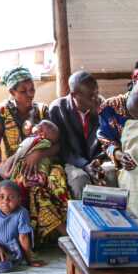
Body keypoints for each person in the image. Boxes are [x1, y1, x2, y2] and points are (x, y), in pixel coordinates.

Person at [0, 67, 68, 243]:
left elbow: (57, 144)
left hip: (45, 160)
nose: (30, 94)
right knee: (29, 183)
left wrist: (38, 153)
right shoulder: (1, 112)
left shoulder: (42, 110)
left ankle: (61, 232)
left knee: (57, 178)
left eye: (32, 89)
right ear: (12, 91)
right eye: (23, 91)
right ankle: (39, 237)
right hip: (18, 164)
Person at [98, 63, 138, 172]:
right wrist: (121, 156)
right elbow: (105, 141)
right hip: (116, 159)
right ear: (134, 81)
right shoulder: (109, 106)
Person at [48, 70, 103, 199]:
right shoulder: (58, 109)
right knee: (79, 181)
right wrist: (84, 165)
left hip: (98, 159)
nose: (96, 98)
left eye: (97, 92)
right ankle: (82, 218)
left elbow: (106, 138)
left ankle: (110, 218)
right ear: (74, 95)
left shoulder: (102, 106)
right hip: (72, 160)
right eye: (91, 95)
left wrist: (97, 161)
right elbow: (63, 147)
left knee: (109, 175)